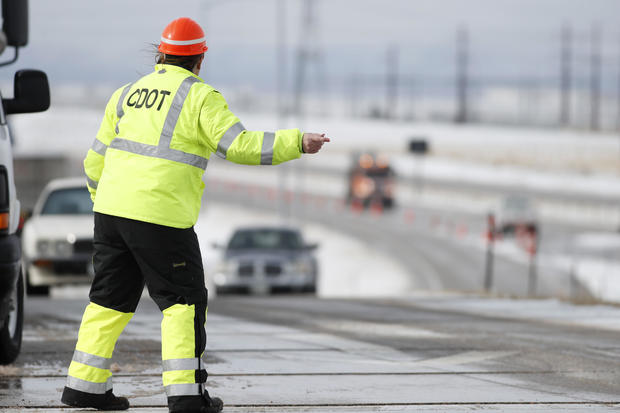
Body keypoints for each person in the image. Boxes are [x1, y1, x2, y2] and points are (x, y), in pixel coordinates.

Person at [60, 17, 329, 413]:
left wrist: (107, 204)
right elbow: (239, 145)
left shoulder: (126, 94)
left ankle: (84, 387)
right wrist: (297, 142)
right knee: (182, 302)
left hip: (111, 212)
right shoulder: (200, 97)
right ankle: (185, 394)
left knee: (108, 301)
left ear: (161, 55)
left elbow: (93, 160)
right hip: (160, 215)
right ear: (199, 60)